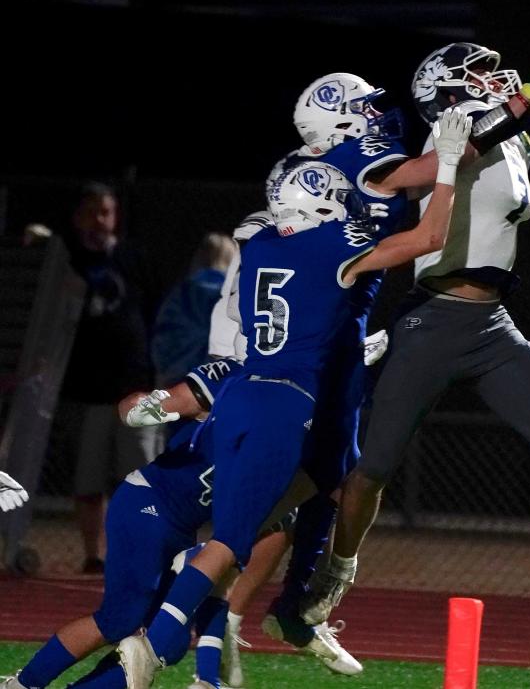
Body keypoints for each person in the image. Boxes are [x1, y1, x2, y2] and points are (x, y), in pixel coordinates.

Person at [302, 2, 530, 637]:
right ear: (446, 89)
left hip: (493, 324)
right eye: (478, 72)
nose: (494, 77)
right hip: (432, 320)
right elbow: (484, 132)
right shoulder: (448, 140)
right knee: (373, 468)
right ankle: (338, 567)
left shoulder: (511, 147)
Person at [114, 107, 473, 689]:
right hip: (284, 400)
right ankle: (159, 641)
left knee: (284, 506)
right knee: (237, 531)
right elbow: (427, 236)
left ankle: (219, 646)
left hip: (244, 384)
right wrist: (450, 162)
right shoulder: (330, 245)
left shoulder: (259, 244)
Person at [0, 359, 240, 689]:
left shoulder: (298, 417)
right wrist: (142, 409)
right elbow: (139, 406)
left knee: (168, 643)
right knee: (119, 619)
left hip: (183, 526)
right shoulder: (231, 380)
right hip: (149, 504)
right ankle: (23, 685)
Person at [57, 182, 160, 574]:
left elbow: (153, 310)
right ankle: (93, 554)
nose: (100, 221)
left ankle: (140, 551)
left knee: (140, 477)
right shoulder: (66, 259)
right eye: (92, 212)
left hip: (135, 387)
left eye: (107, 212)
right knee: (88, 479)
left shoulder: (133, 257)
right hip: (87, 390)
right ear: (78, 217)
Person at [150, 233, 237, 387]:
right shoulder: (238, 298)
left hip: (179, 388)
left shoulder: (178, 296)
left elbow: (161, 344)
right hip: (225, 389)